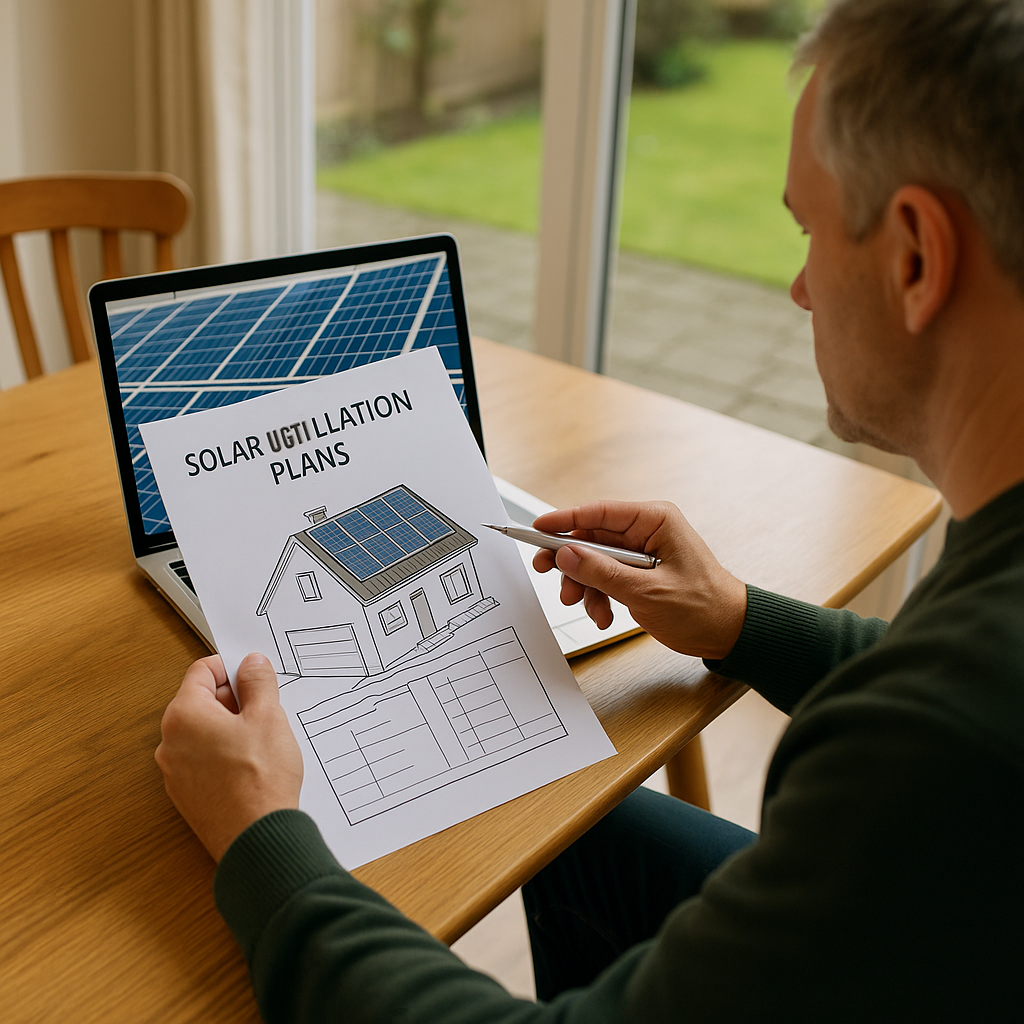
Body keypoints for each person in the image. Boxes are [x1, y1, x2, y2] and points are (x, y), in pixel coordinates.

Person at [155, 0, 1024, 1020]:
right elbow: (945, 682)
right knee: (580, 830)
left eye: (807, 232)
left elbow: (941, 727)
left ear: (915, 255)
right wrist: (739, 618)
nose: (796, 289)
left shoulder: (920, 754)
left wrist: (263, 839)